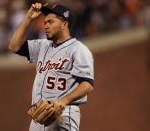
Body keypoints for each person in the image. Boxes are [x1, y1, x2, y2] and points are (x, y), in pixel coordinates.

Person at [9, 2, 94, 131]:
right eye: (45, 22)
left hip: (64, 112)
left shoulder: (78, 49)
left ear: (64, 24)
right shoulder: (43, 45)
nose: (46, 26)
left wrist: (62, 102)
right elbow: (14, 46)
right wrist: (28, 19)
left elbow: (87, 85)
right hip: (38, 116)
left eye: (51, 22)